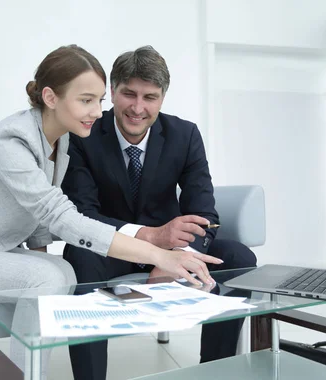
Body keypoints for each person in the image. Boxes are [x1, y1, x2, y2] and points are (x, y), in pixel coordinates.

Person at [0, 45, 222, 377]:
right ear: (51, 98)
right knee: (49, 276)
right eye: (86, 100)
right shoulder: (10, 144)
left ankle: (27, 369)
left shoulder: (62, 140)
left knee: (62, 272)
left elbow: (40, 210)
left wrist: (38, 254)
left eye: (99, 101)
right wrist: (160, 256)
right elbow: (59, 215)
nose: (98, 112)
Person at [61, 45, 257, 380]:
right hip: (112, 247)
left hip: (170, 245)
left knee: (239, 257)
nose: (138, 108)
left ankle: (213, 369)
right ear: (112, 91)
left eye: (150, 97)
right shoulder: (84, 134)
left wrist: (177, 258)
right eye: (129, 94)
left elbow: (203, 212)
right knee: (79, 256)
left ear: (163, 97)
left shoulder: (185, 135)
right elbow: (82, 215)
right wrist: (150, 242)